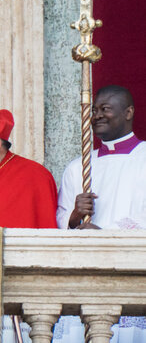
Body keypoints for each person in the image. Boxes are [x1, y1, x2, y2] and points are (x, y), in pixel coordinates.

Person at [49, 85, 146, 343]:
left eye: (105, 109)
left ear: (128, 112)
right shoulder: (77, 168)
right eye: (93, 110)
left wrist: (107, 235)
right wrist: (73, 218)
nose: (97, 116)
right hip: (83, 280)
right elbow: (60, 223)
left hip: (132, 278)